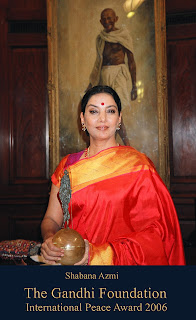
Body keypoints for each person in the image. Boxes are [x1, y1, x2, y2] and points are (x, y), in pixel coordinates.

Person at [41, 85, 185, 265]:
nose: (102, 119)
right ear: (82, 119)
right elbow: (52, 218)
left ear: (119, 119)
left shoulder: (139, 167)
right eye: (94, 111)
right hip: (71, 265)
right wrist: (49, 239)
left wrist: (99, 255)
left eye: (110, 111)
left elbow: (157, 232)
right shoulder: (67, 166)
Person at [86, 8, 137, 145]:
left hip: (119, 74)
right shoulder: (100, 38)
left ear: (116, 19)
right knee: (106, 111)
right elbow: (98, 63)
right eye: (104, 19)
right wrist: (91, 84)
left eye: (110, 18)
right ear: (100, 21)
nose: (107, 21)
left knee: (115, 109)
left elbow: (131, 61)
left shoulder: (123, 35)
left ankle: (126, 143)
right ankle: (109, 144)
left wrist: (134, 86)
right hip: (104, 75)